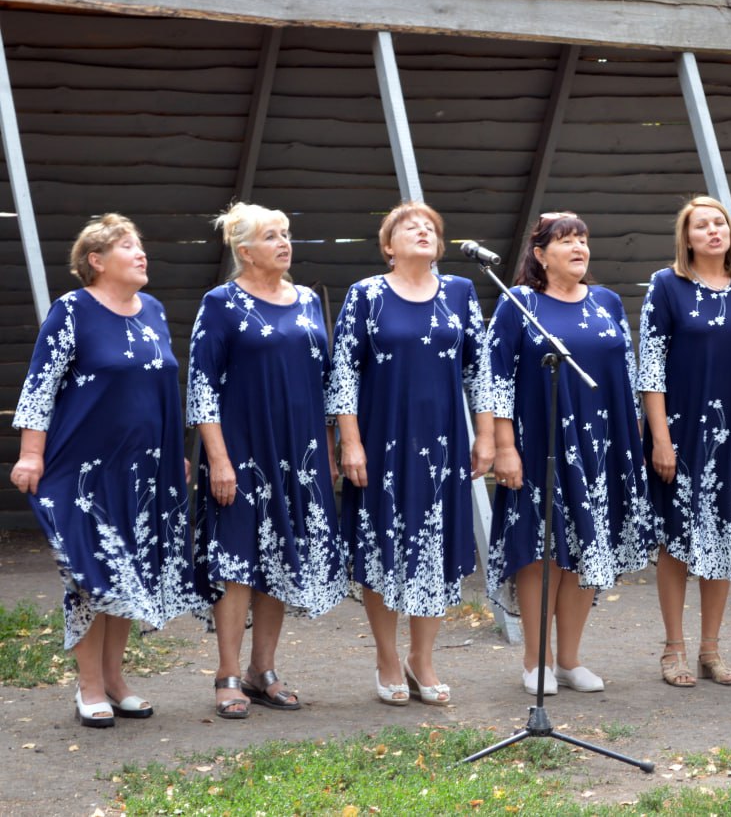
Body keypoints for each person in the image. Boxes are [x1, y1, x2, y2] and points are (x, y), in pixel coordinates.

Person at [11, 214, 202, 727]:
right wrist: (31, 454)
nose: (140, 253)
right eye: (126, 246)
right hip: (83, 470)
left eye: (140, 245)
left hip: (145, 469)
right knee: (90, 576)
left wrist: (172, 451)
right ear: (95, 261)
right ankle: (88, 685)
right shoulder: (72, 311)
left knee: (130, 574)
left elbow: (161, 390)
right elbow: (40, 386)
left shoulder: (154, 311)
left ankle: (116, 680)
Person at [326, 201, 494, 706]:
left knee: (435, 550)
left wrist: (485, 435)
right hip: (381, 441)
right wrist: (349, 442)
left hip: (443, 443)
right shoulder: (366, 295)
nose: (422, 231)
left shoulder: (461, 293)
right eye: (409, 227)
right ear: (388, 246)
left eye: (431, 228)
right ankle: (385, 656)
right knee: (383, 547)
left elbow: (479, 372)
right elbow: (344, 375)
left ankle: (422, 659)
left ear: (440, 246)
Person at [188, 202, 346, 719]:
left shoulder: (305, 300)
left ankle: (263, 670)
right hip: (241, 450)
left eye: (287, 233)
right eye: (272, 235)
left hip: (299, 453)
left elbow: (325, 382)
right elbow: (202, 386)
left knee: (282, 555)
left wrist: (328, 449)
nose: (285, 242)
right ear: (245, 250)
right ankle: (227, 673)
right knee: (237, 560)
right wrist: (219, 458)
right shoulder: (220, 302)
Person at [486, 211, 653, 695]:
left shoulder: (607, 302)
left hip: (603, 441)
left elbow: (628, 372)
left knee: (586, 547)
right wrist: (503, 446)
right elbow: (496, 380)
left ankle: (571, 660)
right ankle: (536, 660)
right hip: (540, 442)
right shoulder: (519, 303)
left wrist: (635, 437)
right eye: (565, 240)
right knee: (544, 551)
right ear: (540, 255)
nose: (578, 246)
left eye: (583, 238)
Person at [637, 196, 731, 688]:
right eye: (702, 226)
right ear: (686, 238)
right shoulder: (666, 286)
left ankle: (711, 648)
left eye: (720, 223)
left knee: (725, 538)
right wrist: (661, 439)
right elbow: (650, 367)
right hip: (682, 430)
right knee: (676, 540)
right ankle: (674, 650)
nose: (714, 231)